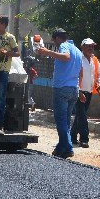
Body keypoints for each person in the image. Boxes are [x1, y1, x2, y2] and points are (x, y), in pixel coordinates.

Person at [36, 28, 84, 158]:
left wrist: (47, 51)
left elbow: (66, 57)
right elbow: (81, 73)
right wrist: (79, 89)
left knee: (61, 120)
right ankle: (60, 147)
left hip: (62, 88)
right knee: (66, 120)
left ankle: (68, 147)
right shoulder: (78, 51)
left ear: (57, 38)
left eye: (53, 39)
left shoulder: (64, 46)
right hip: (73, 89)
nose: (53, 42)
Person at [72, 38, 100, 149]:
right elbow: (75, 76)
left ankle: (72, 136)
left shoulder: (94, 60)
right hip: (79, 91)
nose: (91, 48)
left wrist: (99, 82)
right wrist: (79, 91)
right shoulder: (78, 59)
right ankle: (84, 139)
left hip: (89, 91)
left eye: (92, 46)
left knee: (80, 116)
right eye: (88, 46)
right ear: (83, 47)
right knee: (82, 116)